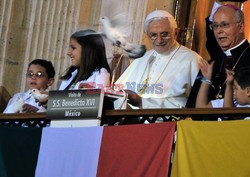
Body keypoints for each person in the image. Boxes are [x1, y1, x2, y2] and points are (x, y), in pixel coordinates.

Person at [114, 9, 204, 109]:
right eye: (153, 35)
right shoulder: (142, 58)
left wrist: (142, 102)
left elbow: (197, 104)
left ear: (176, 32)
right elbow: (118, 91)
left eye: (165, 34)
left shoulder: (192, 59)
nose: (159, 40)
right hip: (133, 122)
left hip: (170, 122)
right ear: (147, 35)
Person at [186, 1, 250, 107]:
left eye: (224, 25)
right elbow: (192, 106)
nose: (218, 31)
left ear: (241, 27)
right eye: (215, 26)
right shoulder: (211, 64)